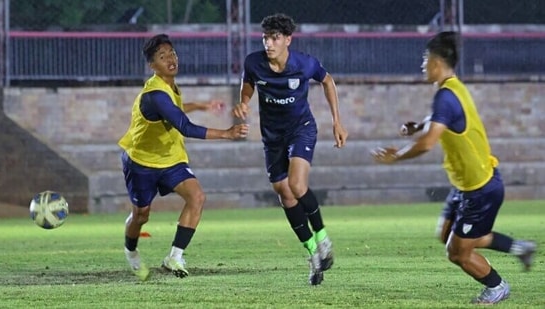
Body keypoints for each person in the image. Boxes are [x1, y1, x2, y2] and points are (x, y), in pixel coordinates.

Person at [371, 31, 536, 305]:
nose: (422, 65)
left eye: (425, 59)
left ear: (437, 62)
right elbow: (439, 119)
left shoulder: (445, 97)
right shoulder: (452, 89)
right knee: (448, 234)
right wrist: (418, 126)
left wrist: (395, 157)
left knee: (457, 252)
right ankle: (520, 248)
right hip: (468, 185)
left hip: (480, 189)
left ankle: (497, 287)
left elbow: (427, 145)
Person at [118, 33, 249, 281]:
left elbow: (175, 109)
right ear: (152, 65)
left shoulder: (170, 86)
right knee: (141, 215)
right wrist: (227, 133)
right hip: (141, 162)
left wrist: (200, 106)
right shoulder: (154, 95)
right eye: (162, 56)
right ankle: (131, 251)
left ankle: (174, 257)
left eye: (172, 53)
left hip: (171, 159)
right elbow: (185, 127)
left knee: (197, 196)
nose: (171, 59)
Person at [233, 13, 348, 286]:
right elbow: (248, 81)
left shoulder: (303, 64)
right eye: (265, 38)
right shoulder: (254, 62)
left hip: (301, 128)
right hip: (272, 136)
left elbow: (327, 81)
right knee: (284, 194)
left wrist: (337, 121)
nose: (268, 44)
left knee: (296, 185)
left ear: (287, 40)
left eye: (275, 38)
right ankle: (312, 254)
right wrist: (244, 101)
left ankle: (323, 238)